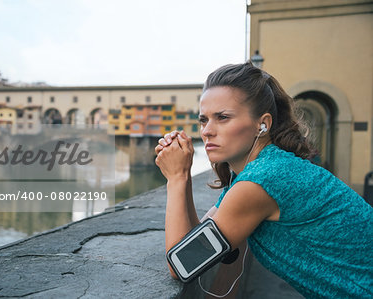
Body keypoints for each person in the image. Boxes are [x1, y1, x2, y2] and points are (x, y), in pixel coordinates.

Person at [154, 62, 372, 298]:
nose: (206, 131)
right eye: (204, 120)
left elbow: (182, 264)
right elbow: (199, 239)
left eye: (223, 117)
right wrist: (183, 175)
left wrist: (176, 177)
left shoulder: (261, 181)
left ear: (263, 124)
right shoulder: (260, 170)